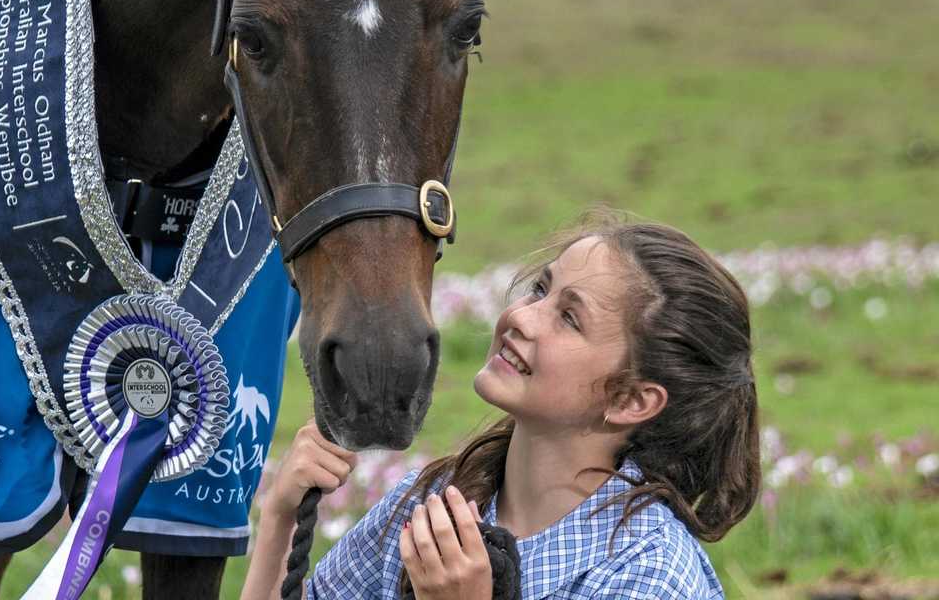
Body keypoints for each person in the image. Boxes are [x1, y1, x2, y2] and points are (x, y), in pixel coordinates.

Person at [242, 215, 761, 599]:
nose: (523, 317)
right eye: (541, 289)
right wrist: (281, 521)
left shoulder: (651, 574)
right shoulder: (429, 504)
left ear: (630, 400)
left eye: (569, 319)